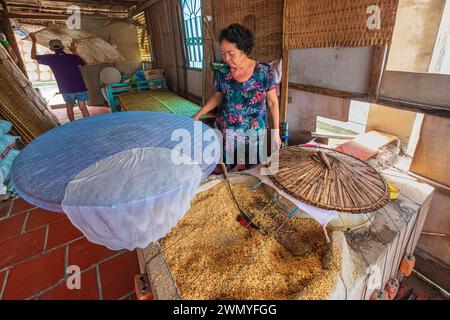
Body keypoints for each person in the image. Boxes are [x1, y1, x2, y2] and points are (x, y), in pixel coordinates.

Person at [193, 23, 281, 172]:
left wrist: (276, 133)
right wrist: (198, 114)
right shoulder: (222, 71)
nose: (226, 58)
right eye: (223, 53)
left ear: (244, 50)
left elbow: (272, 103)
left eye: (231, 53)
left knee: (254, 172)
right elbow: (217, 96)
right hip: (227, 132)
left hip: (254, 135)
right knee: (225, 173)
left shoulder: (264, 71)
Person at [30, 33, 90, 122]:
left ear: (51, 49)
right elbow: (84, 62)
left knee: (69, 107)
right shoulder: (72, 57)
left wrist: (34, 42)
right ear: (63, 47)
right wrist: (74, 51)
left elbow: (33, 56)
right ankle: (89, 124)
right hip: (79, 86)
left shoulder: (50, 58)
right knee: (83, 106)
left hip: (66, 88)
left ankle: (73, 125)